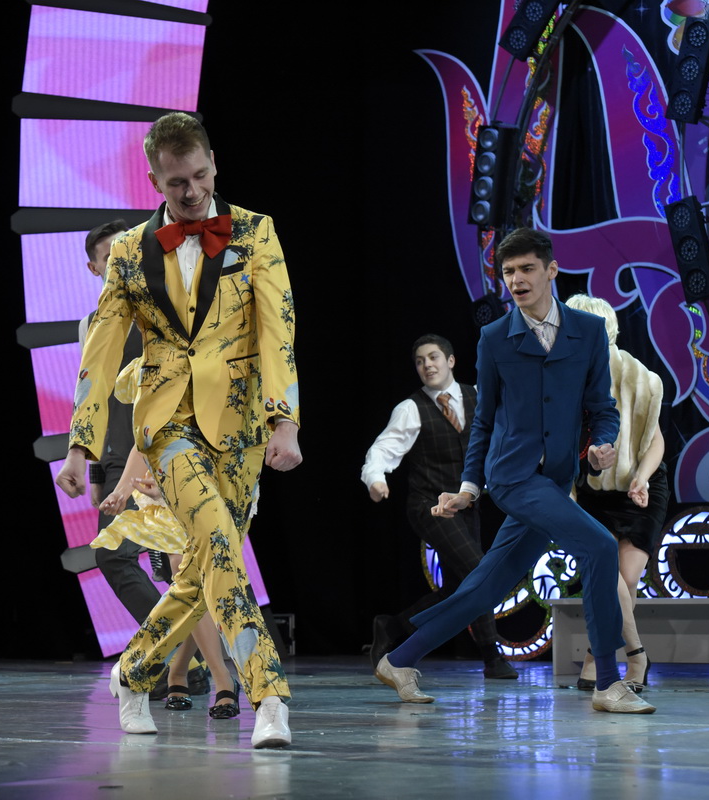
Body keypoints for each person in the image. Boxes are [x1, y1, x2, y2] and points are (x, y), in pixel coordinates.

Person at [55, 112, 301, 748]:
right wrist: (80, 444)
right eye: (176, 182)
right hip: (166, 427)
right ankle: (269, 696)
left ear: (213, 164)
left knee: (204, 565)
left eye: (199, 176)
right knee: (218, 543)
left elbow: (278, 331)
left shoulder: (256, 232)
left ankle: (134, 671)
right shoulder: (129, 252)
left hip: (242, 425)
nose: (191, 191)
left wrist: (285, 420)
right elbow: (100, 354)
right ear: (154, 181)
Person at [374, 227, 656, 714]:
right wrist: (469, 487)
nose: (517, 280)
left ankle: (399, 659)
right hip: (512, 477)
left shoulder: (587, 332)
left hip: (557, 478)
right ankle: (609, 682)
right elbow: (483, 420)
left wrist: (602, 444)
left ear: (551, 271)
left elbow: (602, 408)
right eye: (508, 272)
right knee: (600, 546)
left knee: (488, 585)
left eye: (527, 269)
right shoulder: (494, 338)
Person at [80, 220, 209, 700]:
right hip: (120, 457)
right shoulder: (91, 323)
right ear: (94, 267)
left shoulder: (164, 307)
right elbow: (94, 398)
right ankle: (187, 664)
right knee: (134, 559)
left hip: (166, 449)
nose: (120, 260)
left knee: (164, 561)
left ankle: (183, 663)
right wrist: (97, 468)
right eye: (109, 256)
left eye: (125, 250)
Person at [361, 334, 516, 679]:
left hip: (467, 504)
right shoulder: (411, 408)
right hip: (428, 506)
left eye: (433, 357)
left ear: (451, 361)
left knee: (457, 589)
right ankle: (492, 657)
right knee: (479, 570)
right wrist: (375, 478)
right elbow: (383, 449)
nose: (427, 365)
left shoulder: (478, 396)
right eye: (420, 361)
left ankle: (394, 626)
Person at [564, 294, 668, 693]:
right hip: (593, 490)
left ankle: (599, 656)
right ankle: (635, 656)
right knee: (610, 578)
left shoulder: (639, 377)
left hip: (639, 488)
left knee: (622, 580)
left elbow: (656, 440)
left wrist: (641, 476)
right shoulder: (566, 375)